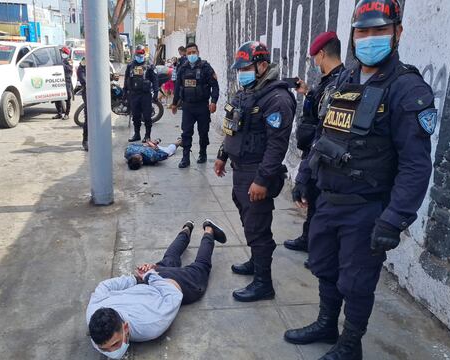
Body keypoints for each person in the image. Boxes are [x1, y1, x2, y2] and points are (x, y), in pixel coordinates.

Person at [283, 1, 435, 359]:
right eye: (362, 32)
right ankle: (326, 323)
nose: (369, 39)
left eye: (379, 31)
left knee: (357, 281)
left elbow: (416, 165)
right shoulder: (344, 79)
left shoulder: (406, 89)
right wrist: (304, 178)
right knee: (323, 265)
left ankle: (350, 345)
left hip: (366, 208)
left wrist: (395, 218)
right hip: (328, 199)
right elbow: (323, 136)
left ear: (397, 33)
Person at [214, 41, 296, 302]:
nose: (242, 74)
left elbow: (277, 145)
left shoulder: (277, 98)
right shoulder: (246, 92)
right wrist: (222, 155)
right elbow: (232, 128)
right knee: (249, 221)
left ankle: (263, 283)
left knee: (258, 227)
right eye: (239, 69)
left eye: (246, 68)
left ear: (262, 65)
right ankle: (255, 261)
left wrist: (262, 180)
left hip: (257, 173)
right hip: (240, 171)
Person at [86, 220, 228, 358]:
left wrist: (146, 277)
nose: (111, 352)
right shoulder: (93, 315)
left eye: (115, 344)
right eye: (103, 349)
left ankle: (209, 230)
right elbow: (104, 286)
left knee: (201, 268)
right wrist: (140, 278)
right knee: (170, 258)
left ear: (126, 327)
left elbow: (174, 293)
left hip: (168, 284)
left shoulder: (150, 325)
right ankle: (186, 228)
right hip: (149, 280)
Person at [284, 32, 344, 257]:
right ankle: (308, 239)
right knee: (312, 199)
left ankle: (321, 251)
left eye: (314, 58)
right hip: (313, 148)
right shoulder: (328, 80)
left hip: (323, 151)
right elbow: (318, 107)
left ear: (321, 54)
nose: (315, 63)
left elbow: (326, 124)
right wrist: (308, 92)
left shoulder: (342, 82)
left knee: (321, 204)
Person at [171, 43, 219, 168]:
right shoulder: (183, 68)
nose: (191, 55)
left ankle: (203, 153)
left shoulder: (205, 67)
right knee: (186, 132)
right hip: (187, 107)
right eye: (189, 53)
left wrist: (213, 101)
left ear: (198, 52)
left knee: (203, 132)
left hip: (202, 106)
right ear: (186, 54)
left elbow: (214, 85)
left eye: (193, 52)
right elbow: (177, 87)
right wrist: (174, 103)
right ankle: (185, 157)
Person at [124, 45, 159, 143]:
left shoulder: (149, 66)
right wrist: (124, 92)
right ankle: (137, 134)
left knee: (147, 116)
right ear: (135, 53)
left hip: (145, 95)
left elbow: (155, 79)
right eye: (138, 53)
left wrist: (156, 92)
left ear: (144, 54)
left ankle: (147, 135)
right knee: (135, 116)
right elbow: (126, 79)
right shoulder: (130, 65)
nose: (140, 55)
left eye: (142, 53)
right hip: (134, 94)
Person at [53, 47, 73, 120]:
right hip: (58, 80)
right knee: (57, 97)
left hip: (66, 80)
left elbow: (70, 69)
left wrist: (62, 65)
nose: (61, 53)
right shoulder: (58, 60)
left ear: (65, 53)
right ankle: (59, 113)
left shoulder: (69, 60)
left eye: (62, 52)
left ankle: (67, 114)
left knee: (68, 97)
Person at [77, 57, 88, 151]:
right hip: (88, 93)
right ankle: (85, 140)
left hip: (99, 94)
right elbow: (81, 76)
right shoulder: (83, 65)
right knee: (88, 118)